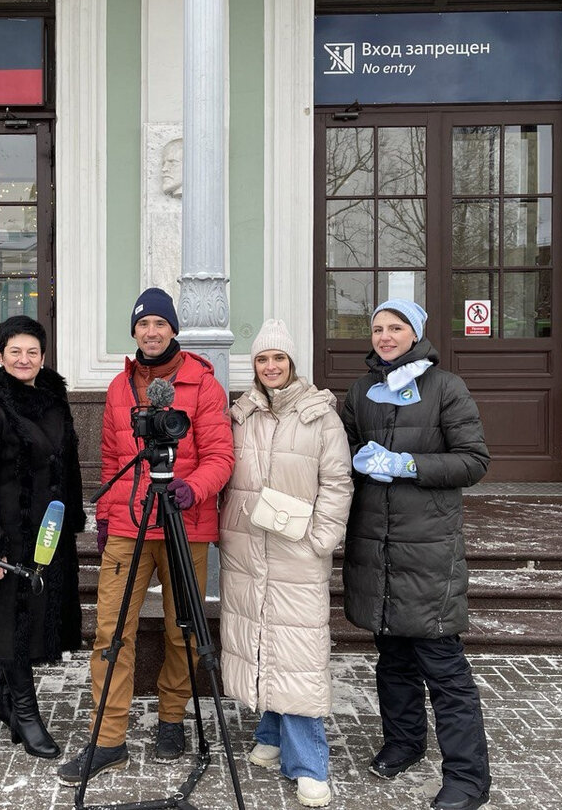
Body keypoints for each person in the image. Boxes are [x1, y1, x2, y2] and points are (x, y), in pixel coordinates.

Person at [57, 287, 234, 784]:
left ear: (173, 329)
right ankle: (107, 737)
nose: (152, 332)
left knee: (183, 630)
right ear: (134, 331)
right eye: (143, 324)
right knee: (112, 633)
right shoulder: (119, 387)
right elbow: (114, 461)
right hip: (129, 529)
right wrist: (110, 518)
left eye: (160, 323)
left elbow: (222, 457)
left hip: (185, 523)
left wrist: (190, 489)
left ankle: (172, 719)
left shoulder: (204, 385)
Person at [340, 299, 492, 810]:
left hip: (428, 546)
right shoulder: (361, 391)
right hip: (376, 545)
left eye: (396, 327)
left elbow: (473, 461)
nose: (384, 336)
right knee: (393, 658)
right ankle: (404, 743)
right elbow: (340, 454)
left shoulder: (445, 387)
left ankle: (468, 778)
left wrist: (407, 464)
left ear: (416, 333)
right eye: (378, 328)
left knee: (442, 665)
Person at [218, 319, 353, 808]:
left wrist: (322, 539)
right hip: (248, 549)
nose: (270, 367)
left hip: (297, 549)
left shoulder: (320, 417)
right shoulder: (242, 415)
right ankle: (272, 735)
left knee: (297, 650)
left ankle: (310, 763)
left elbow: (337, 483)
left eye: (278, 359)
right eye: (262, 359)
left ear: (293, 364)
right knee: (258, 638)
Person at [0, 315, 86, 759]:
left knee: (35, 618)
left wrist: (73, 518)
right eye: (14, 351)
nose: (23, 358)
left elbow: (67, 462)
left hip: (49, 531)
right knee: (13, 624)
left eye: (32, 351)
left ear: (43, 357)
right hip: (10, 533)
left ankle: (1, 694)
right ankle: (25, 712)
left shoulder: (54, 398)